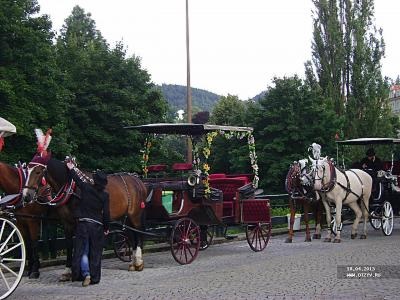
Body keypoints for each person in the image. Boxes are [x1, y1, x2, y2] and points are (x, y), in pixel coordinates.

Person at [67, 162, 110, 287]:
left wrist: (71, 168)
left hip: (83, 224)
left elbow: (77, 179)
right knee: (95, 252)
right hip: (96, 225)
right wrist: (106, 227)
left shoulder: (86, 188)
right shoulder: (105, 195)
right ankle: (94, 276)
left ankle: (86, 274)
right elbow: (106, 213)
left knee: (83, 251)